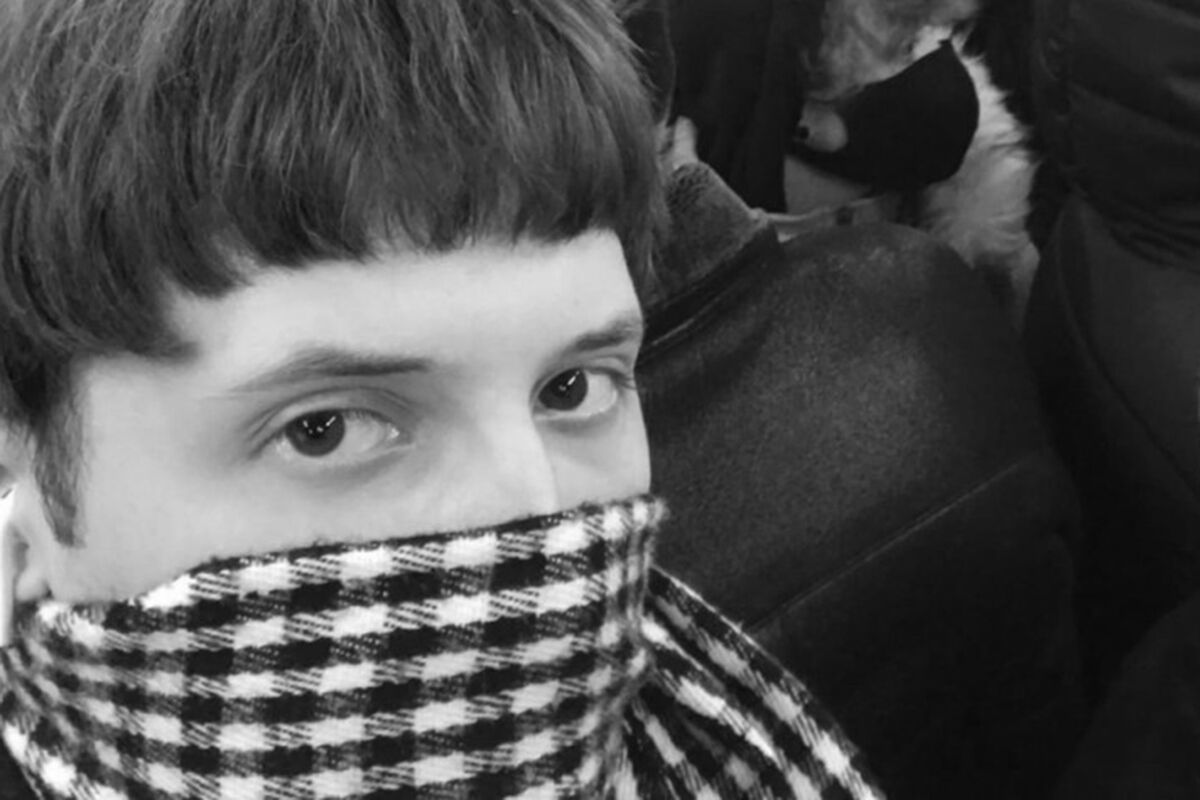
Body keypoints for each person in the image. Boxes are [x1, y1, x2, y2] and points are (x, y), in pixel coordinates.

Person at [0, 1, 882, 797]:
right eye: (324, 428)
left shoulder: (713, 727)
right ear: (23, 472)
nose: (542, 520)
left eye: (571, 388)